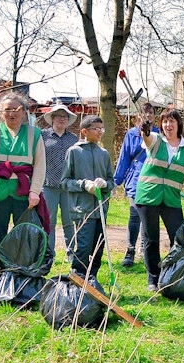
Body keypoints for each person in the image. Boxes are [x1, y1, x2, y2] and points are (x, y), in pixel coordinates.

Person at [0, 92, 48, 293]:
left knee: (24, 240)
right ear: (0, 113)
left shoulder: (34, 133)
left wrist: (35, 191)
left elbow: (40, 166)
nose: (11, 113)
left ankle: (21, 282)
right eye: (7, 110)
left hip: (24, 193)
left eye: (16, 109)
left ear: (23, 112)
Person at [136, 108, 184, 292]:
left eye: (172, 121)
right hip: (148, 195)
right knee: (151, 237)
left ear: (179, 124)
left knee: (178, 237)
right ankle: (153, 279)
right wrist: (145, 130)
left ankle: (174, 274)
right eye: (165, 121)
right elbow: (146, 139)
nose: (168, 125)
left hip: (171, 198)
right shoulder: (156, 140)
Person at [60, 115, 114, 277]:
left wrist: (105, 184)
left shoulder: (104, 154)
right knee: (83, 247)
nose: (100, 132)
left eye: (102, 129)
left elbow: (111, 182)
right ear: (85, 131)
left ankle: (92, 280)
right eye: (96, 129)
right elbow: (65, 182)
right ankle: (77, 278)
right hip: (82, 210)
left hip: (101, 210)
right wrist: (83, 184)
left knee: (98, 249)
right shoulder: (74, 152)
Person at [114, 102, 159, 267]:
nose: (148, 116)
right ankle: (130, 250)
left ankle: (144, 250)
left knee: (148, 216)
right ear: (138, 116)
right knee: (135, 215)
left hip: (153, 181)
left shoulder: (158, 134)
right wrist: (116, 181)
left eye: (151, 113)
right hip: (135, 180)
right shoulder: (131, 135)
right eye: (144, 113)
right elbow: (124, 158)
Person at [41, 104, 78, 261]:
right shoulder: (43, 136)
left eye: (65, 116)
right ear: (52, 119)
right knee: (49, 221)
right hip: (49, 184)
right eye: (59, 116)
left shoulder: (73, 139)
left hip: (68, 186)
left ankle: (72, 254)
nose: (62, 118)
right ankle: (49, 253)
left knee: (69, 222)